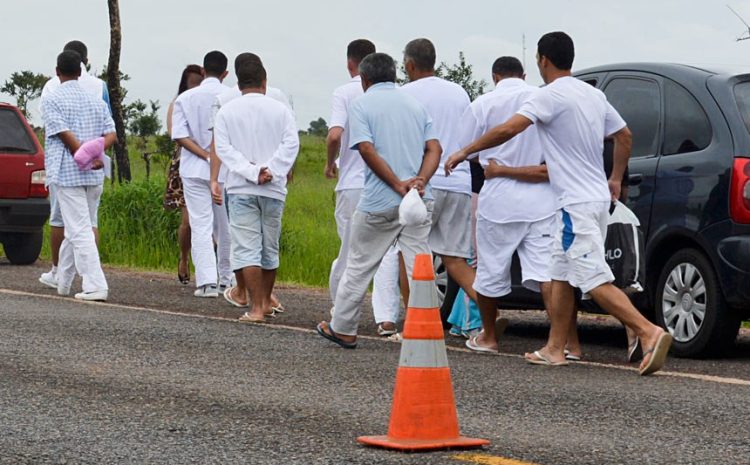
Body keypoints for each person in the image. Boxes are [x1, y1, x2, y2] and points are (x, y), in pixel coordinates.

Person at [446, 32, 672, 375]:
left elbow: (509, 129)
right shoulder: (593, 95)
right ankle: (555, 348)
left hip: (574, 204)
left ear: (543, 60)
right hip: (592, 198)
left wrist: (466, 151)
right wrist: (614, 178)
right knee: (559, 274)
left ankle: (648, 331)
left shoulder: (549, 96)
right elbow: (624, 136)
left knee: (592, 277)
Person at [316, 52, 441, 349]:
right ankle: (426, 331)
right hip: (419, 198)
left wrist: (397, 184)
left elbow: (367, 150)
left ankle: (344, 328)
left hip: (380, 200)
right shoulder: (415, 105)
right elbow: (434, 148)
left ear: (364, 79)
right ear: (395, 75)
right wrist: (420, 180)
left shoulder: (361, 105)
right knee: (420, 265)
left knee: (359, 264)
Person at [449, 56, 556, 354]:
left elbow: (467, 149)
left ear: (495, 77)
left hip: (498, 195)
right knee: (545, 273)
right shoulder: (543, 98)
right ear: (523, 75)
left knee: (490, 270)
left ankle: (489, 337)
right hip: (540, 195)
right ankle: (558, 342)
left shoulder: (482, 104)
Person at [213, 53, 299, 322]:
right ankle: (265, 301)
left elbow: (223, 149)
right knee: (269, 247)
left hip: (241, 187)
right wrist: (271, 170)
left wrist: (252, 171)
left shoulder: (227, 111)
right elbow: (291, 144)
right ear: (264, 81)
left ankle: (256, 307)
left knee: (246, 247)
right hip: (273, 188)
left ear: (239, 85)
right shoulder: (280, 109)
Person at [326, 39, 401, 336]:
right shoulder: (397, 95)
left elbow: (334, 135)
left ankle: (340, 311)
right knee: (386, 252)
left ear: (350, 64)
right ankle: (386, 318)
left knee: (350, 252)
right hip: (389, 182)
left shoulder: (344, 92)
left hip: (354, 182)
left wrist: (330, 163)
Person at [399, 38, 474, 310]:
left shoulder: (406, 93)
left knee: (410, 254)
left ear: (409, 64)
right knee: (454, 259)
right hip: (460, 182)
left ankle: (413, 322)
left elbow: (406, 141)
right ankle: (489, 319)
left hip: (424, 183)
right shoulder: (459, 92)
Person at [41, 50, 116, 301]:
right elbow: (111, 134)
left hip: (68, 172)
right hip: (95, 175)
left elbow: (63, 134)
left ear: (57, 71)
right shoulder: (95, 100)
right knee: (76, 228)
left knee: (79, 229)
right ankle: (63, 281)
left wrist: (83, 155)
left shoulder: (53, 98)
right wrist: (96, 154)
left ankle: (95, 284)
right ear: (81, 70)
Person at [171, 51, 233, 297]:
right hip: (226, 170)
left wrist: (204, 155)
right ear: (226, 73)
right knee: (226, 226)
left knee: (200, 225)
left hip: (193, 169)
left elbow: (179, 135)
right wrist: (216, 157)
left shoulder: (185, 98)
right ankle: (227, 280)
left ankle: (207, 282)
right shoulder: (231, 97)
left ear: (204, 71)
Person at [164, 64, 204, 284]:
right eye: (193, 83)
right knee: (188, 221)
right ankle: (184, 257)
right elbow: (174, 133)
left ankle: (209, 268)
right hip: (186, 163)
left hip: (211, 162)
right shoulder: (178, 104)